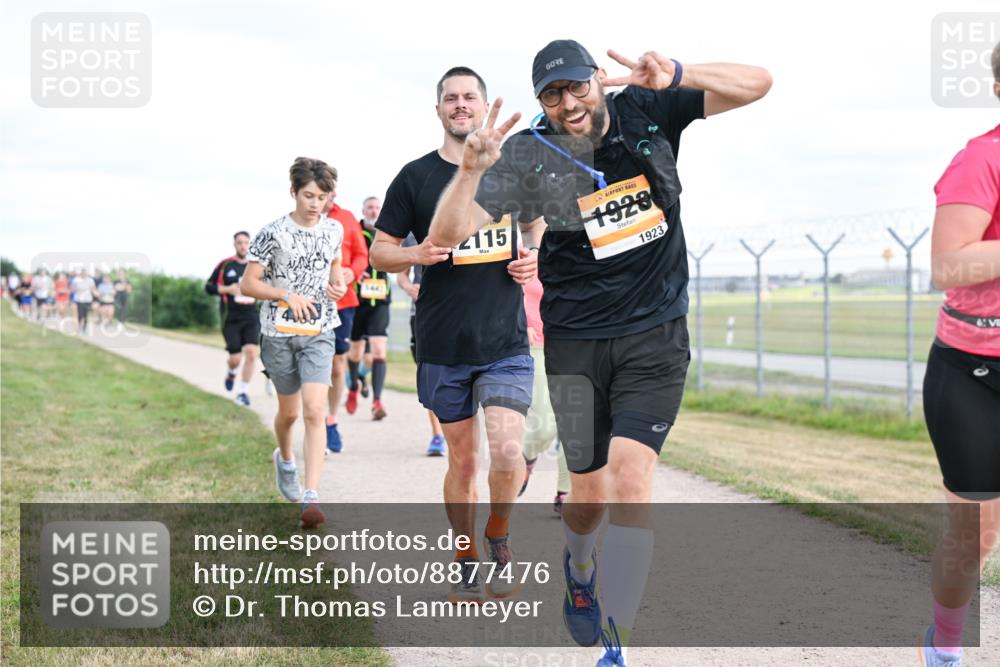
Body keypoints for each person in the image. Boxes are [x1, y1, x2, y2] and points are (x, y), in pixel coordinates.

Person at [430, 41, 770, 665]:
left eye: (577, 87)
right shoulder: (531, 151)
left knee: (632, 482)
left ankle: (618, 642)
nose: (569, 103)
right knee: (586, 500)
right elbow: (444, 237)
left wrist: (678, 75)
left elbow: (759, 83)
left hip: (655, 336)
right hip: (576, 345)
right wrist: (473, 171)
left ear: (598, 81)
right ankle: (579, 570)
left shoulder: (647, 107)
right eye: (552, 95)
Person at [370, 66, 541, 603]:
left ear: (484, 104)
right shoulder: (415, 176)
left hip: (505, 341)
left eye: (470, 96)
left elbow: (535, 224)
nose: (461, 105)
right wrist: (414, 253)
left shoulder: (514, 172)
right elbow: (379, 252)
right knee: (463, 462)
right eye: (451, 98)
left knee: (509, 449)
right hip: (445, 342)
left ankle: (500, 536)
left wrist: (531, 256)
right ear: (439, 109)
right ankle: (465, 554)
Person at [919, 41, 1000, 667]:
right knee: (975, 535)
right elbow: (948, 263)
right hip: (975, 372)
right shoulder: (982, 159)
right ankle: (945, 647)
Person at [240, 157, 346, 530]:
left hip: (320, 330)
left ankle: (311, 496)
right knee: (290, 414)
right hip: (278, 335)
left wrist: (340, 284)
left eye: (322, 197)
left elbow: (337, 270)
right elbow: (248, 284)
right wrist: (285, 295)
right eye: (309, 196)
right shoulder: (272, 232)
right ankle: (285, 459)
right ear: (293, 192)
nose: (316, 203)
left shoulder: (334, 230)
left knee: (315, 411)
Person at [321, 173, 369, 452]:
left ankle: (330, 420)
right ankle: (313, 418)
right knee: (315, 365)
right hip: (309, 304)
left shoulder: (348, 219)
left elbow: (362, 255)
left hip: (343, 302)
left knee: (338, 364)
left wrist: (353, 271)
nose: (331, 196)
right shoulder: (304, 219)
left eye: (333, 191)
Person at [518, 273, 571, 513]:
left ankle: (565, 491)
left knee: (575, 425)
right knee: (544, 425)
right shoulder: (521, 249)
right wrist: (519, 321)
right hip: (536, 343)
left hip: (577, 343)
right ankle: (528, 455)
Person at [397, 233, 446, 456]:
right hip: (421, 313)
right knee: (432, 375)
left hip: (452, 311)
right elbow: (402, 275)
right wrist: (409, 287)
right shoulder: (410, 236)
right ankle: (437, 435)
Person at [346, 196, 391, 420]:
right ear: (363, 210)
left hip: (381, 298)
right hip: (358, 299)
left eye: (377, 208)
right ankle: (353, 387)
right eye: (370, 208)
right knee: (355, 352)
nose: (373, 211)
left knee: (379, 352)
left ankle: (377, 401)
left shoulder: (388, 230)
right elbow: (343, 257)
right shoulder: (354, 230)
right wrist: (355, 273)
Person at [205, 232, 261, 407]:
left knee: (252, 353)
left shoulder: (257, 266)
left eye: (246, 242)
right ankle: (231, 371)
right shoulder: (225, 265)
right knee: (236, 358)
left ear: (250, 244)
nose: (243, 246)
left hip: (252, 316)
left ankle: (243, 392)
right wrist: (227, 289)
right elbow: (209, 287)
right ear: (234, 245)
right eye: (239, 243)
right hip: (231, 318)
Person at [70, 270, 97, 334]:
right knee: (80, 314)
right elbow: (72, 289)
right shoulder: (76, 280)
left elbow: (93, 289)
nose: (83, 275)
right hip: (79, 300)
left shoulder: (90, 280)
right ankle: (79, 327)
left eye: (84, 273)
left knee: (86, 315)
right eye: (82, 273)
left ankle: (84, 328)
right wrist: (77, 289)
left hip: (88, 300)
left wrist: (96, 295)